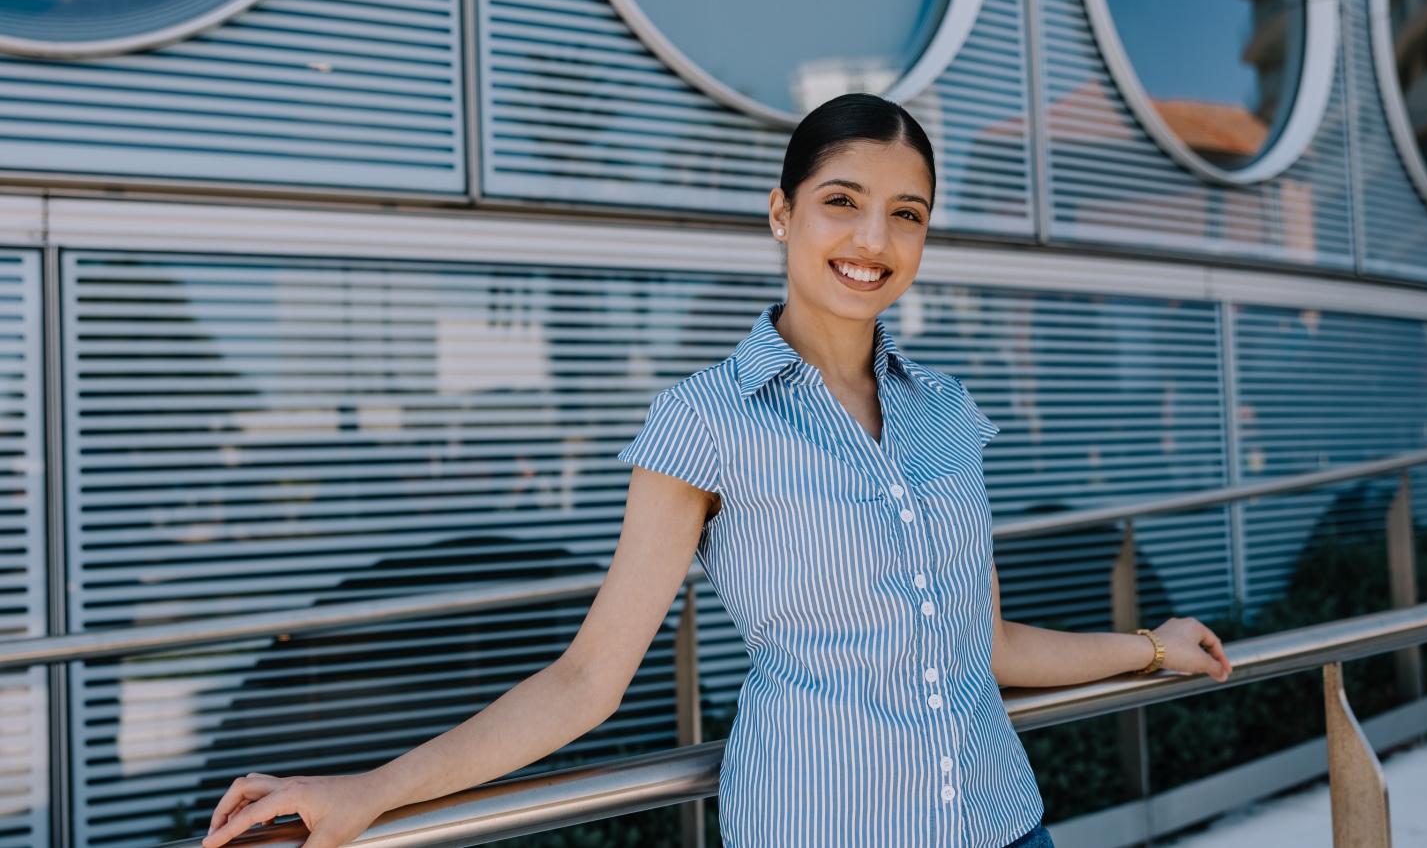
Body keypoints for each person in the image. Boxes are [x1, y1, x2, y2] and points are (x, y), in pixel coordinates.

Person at [200, 93, 1233, 848]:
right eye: (842, 201)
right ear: (780, 212)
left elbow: (986, 642)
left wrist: (1151, 648)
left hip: (1007, 829)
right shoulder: (705, 419)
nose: (874, 239)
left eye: (907, 213)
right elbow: (586, 680)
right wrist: (372, 790)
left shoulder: (947, 410)